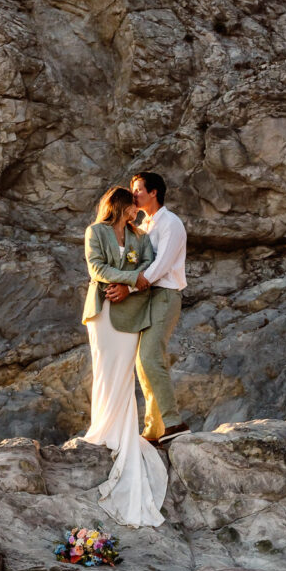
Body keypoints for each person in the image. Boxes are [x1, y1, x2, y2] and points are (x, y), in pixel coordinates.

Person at [81, 186, 167, 528]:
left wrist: (130, 287)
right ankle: (103, 430)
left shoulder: (138, 235)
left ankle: (122, 432)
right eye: (133, 203)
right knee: (105, 370)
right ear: (120, 205)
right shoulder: (96, 231)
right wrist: (128, 279)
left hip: (129, 312)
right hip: (102, 311)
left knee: (124, 374)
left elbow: (147, 264)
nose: (138, 208)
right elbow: (96, 268)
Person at [106, 172, 188, 445]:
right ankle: (154, 429)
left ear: (154, 192)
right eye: (133, 189)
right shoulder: (145, 225)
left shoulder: (171, 223)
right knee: (143, 363)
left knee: (151, 356)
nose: (135, 194)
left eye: (139, 189)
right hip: (147, 296)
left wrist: (127, 288)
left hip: (165, 295)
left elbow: (160, 266)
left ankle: (175, 422)